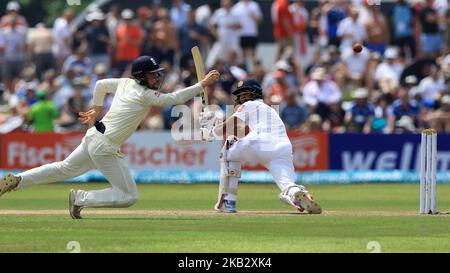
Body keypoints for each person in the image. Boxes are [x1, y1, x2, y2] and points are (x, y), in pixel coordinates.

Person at [0, 56, 220, 219]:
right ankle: (79, 198)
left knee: (63, 168)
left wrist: (96, 109)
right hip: (104, 145)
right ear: (141, 76)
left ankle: (19, 180)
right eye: (153, 74)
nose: (157, 77)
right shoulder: (142, 94)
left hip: (94, 136)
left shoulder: (125, 83)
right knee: (128, 196)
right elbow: (174, 98)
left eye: (157, 74)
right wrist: (202, 85)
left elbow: (100, 84)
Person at [199, 79, 322, 214]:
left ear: (254, 94)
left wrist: (210, 132)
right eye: (240, 94)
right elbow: (239, 130)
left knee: (230, 146)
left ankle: (228, 201)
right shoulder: (269, 110)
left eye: (245, 94)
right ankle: (295, 193)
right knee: (286, 183)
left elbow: (231, 124)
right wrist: (212, 127)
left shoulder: (250, 105)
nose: (241, 97)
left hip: (261, 142)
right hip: (283, 148)